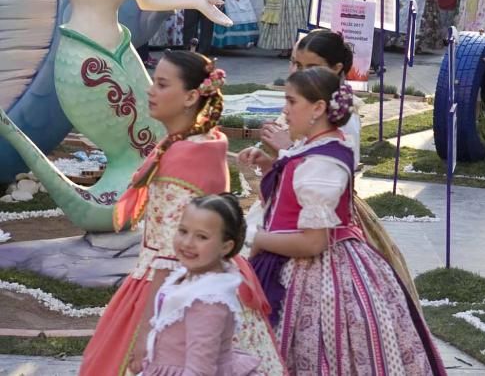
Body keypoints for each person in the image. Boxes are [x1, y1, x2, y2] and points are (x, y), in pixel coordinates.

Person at [81, 52, 281, 375]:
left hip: (171, 290)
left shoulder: (182, 155)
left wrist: (146, 333)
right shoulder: (208, 141)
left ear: (190, 97)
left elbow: (168, 255)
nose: (150, 90)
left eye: (161, 84)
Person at [249, 68, 445, 374]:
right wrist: (270, 165)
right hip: (295, 259)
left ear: (317, 108)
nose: (284, 110)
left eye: (291, 101)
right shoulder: (316, 148)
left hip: (318, 274)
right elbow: (293, 197)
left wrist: (259, 240)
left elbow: (314, 241)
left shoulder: (323, 163)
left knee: (314, 346)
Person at [238, 29, 420, 304]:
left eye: (312, 67)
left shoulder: (342, 122)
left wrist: (286, 145)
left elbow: (326, 167)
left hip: (320, 218)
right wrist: (270, 163)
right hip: (289, 208)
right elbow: (296, 175)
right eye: (298, 65)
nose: (302, 73)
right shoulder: (304, 102)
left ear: (336, 69)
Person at [142, 194, 262, 375]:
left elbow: (200, 370)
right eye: (183, 231)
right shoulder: (190, 276)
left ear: (226, 247)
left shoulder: (208, 301)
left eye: (202, 237)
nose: (188, 243)